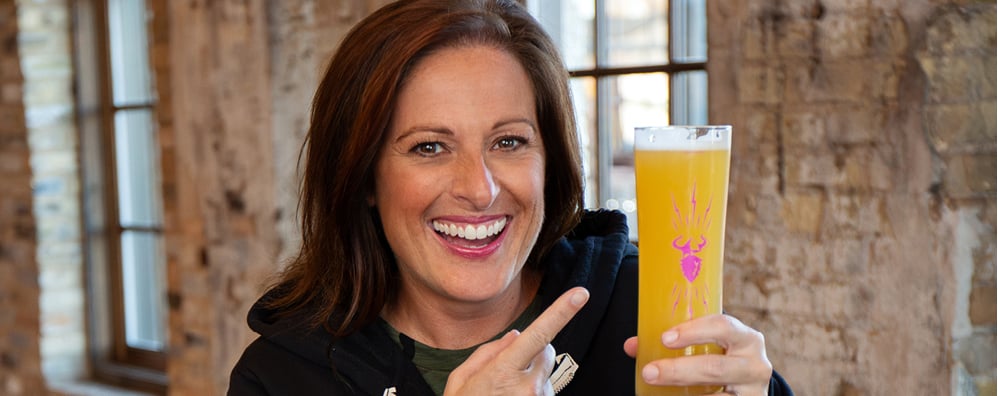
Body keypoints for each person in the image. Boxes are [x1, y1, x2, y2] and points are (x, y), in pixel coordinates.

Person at [228, 0, 793, 395]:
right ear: (364, 178)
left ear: (551, 163)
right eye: (428, 147)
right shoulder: (280, 377)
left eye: (509, 142)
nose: (480, 189)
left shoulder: (644, 309)